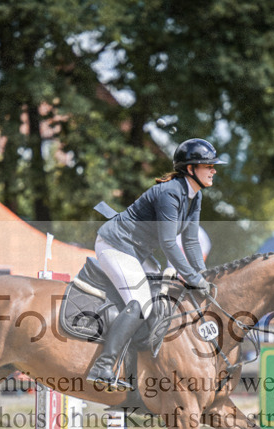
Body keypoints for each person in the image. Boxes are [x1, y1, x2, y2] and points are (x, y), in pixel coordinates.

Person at [86, 138, 226, 391]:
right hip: (115, 245)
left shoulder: (194, 196)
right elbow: (169, 243)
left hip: (137, 252)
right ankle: (103, 365)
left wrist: (203, 277)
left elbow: (191, 241)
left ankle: (138, 366)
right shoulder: (170, 192)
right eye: (208, 165)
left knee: (160, 300)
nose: (214, 170)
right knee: (140, 301)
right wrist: (192, 279)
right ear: (191, 169)